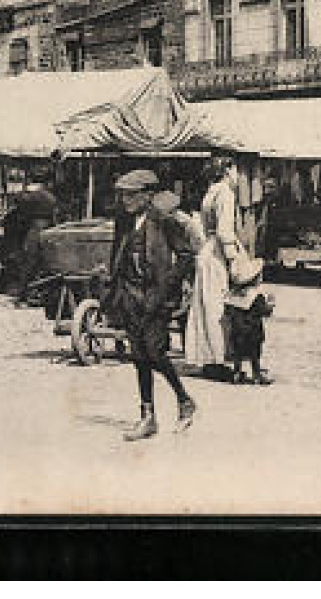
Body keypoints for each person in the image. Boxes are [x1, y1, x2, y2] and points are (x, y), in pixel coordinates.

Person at [102, 169, 198, 441]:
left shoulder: (165, 220)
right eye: (122, 194)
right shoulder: (123, 220)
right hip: (129, 295)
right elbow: (116, 254)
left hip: (156, 297)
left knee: (155, 352)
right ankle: (148, 417)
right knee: (138, 356)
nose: (125, 200)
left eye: (131, 195)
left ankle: (184, 400)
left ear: (148, 195)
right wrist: (113, 288)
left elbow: (187, 255)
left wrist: (169, 284)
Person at [186, 156, 242, 378]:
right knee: (217, 307)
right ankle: (217, 360)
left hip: (206, 251)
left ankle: (207, 357)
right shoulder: (225, 194)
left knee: (205, 305)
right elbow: (224, 231)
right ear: (228, 170)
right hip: (217, 252)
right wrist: (233, 258)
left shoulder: (210, 192)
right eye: (237, 169)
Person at [224, 254, 275, 386]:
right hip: (253, 331)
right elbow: (264, 312)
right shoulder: (257, 296)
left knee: (238, 354)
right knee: (254, 354)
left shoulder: (234, 294)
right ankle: (257, 375)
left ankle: (236, 373)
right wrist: (270, 304)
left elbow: (228, 310)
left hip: (237, 330)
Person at [11, 170, 59, 303]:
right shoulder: (50, 197)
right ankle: (42, 294)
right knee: (47, 264)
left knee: (29, 262)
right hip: (49, 229)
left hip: (35, 229)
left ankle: (23, 294)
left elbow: (18, 202)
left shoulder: (29, 196)